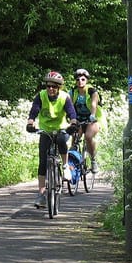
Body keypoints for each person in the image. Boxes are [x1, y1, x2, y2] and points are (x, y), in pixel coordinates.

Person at [26, 71, 78, 208]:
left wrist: (73, 123)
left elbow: (71, 112)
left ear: (59, 87)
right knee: (43, 161)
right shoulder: (41, 96)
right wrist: (30, 123)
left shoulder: (64, 97)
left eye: (54, 86)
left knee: (61, 140)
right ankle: (41, 194)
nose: (50, 89)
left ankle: (66, 166)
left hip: (61, 129)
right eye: (48, 86)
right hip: (46, 130)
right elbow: (34, 111)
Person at [69, 68, 103, 173]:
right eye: (78, 79)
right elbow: (69, 106)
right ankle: (73, 163)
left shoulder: (92, 91)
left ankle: (93, 160)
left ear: (86, 80)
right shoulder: (73, 92)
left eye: (83, 79)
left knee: (88, 137)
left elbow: (93, 104)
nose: (80, 81)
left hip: (93, 119)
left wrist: (92, 115)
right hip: (78, 119)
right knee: (75, 138)